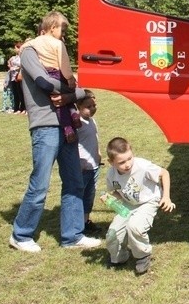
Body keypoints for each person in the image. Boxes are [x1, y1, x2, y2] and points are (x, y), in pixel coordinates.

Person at [9, 23, 101, 253]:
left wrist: (72, 93)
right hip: (46, 126)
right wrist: (74, 91)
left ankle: (72, 236)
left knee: (74, 182)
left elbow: (78, 92)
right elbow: (44, 83)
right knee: (40, 184)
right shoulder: (30, 51)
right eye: (59, 32)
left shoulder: (60, 62)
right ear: (46, 30)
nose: (61, 39)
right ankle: (21, 235)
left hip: (67, 126)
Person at [103, 137, 175, 274]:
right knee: (112, 233)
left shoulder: (142, 166)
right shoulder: (111, 174)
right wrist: (111, 198)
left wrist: (166, 197)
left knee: (135, 227)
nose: (127, 164)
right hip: (128, 203)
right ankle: (119, 257)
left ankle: (143, 255)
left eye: (129, 158)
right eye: (121, 162)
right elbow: (117, 192)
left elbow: (164, 173)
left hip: (148, 201)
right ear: (111, 163)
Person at [23, 11, 81, 142]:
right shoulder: (58, 44)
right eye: (63, 30)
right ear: (53, 27)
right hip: (58, 74)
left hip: (48, 73)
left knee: (58, 103)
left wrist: (21, 49)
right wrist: (70, 77)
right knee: (64, 99)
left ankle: (68, 127)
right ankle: (72, 118)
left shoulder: (35, 42)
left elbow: (25, 46)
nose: (64, 35)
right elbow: (64, 63)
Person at [77, 90, 101, 234]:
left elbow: (95, 139)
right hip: (83, 167)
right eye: (88, 106)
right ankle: (77, 222)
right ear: (78, 106)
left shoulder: (92, 121)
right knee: (80, 194)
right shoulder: (77, 123)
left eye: (94, 105)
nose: (93, 109)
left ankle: (86, 220)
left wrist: (98, 154)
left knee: (89, 195)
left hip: (94, 165)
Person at [7, 41, 26, 115]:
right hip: (13, 77)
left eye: (16, 48)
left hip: (19, 76)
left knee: (21, 93)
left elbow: (22, 65)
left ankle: (23, 108)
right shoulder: (14, 57)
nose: (15, 49)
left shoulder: (23, 56)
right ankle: (16, 108)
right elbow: (10, 63)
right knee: (15, 93)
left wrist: (16, 68)